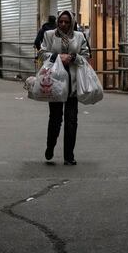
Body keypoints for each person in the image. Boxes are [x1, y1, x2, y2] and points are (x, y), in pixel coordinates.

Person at [39, 10, 90, 166]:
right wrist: (57, 57)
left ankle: (69, 155)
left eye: (67, 22)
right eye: (61, 21)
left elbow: (86, 55)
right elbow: (41, 53)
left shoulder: (79, 36)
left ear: (72, 23)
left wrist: (73, 57)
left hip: (73, 83)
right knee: (55, 119)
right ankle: (50, 147)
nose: (63, 24)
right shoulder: (49, 35)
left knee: (71, 120)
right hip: (54, 83)